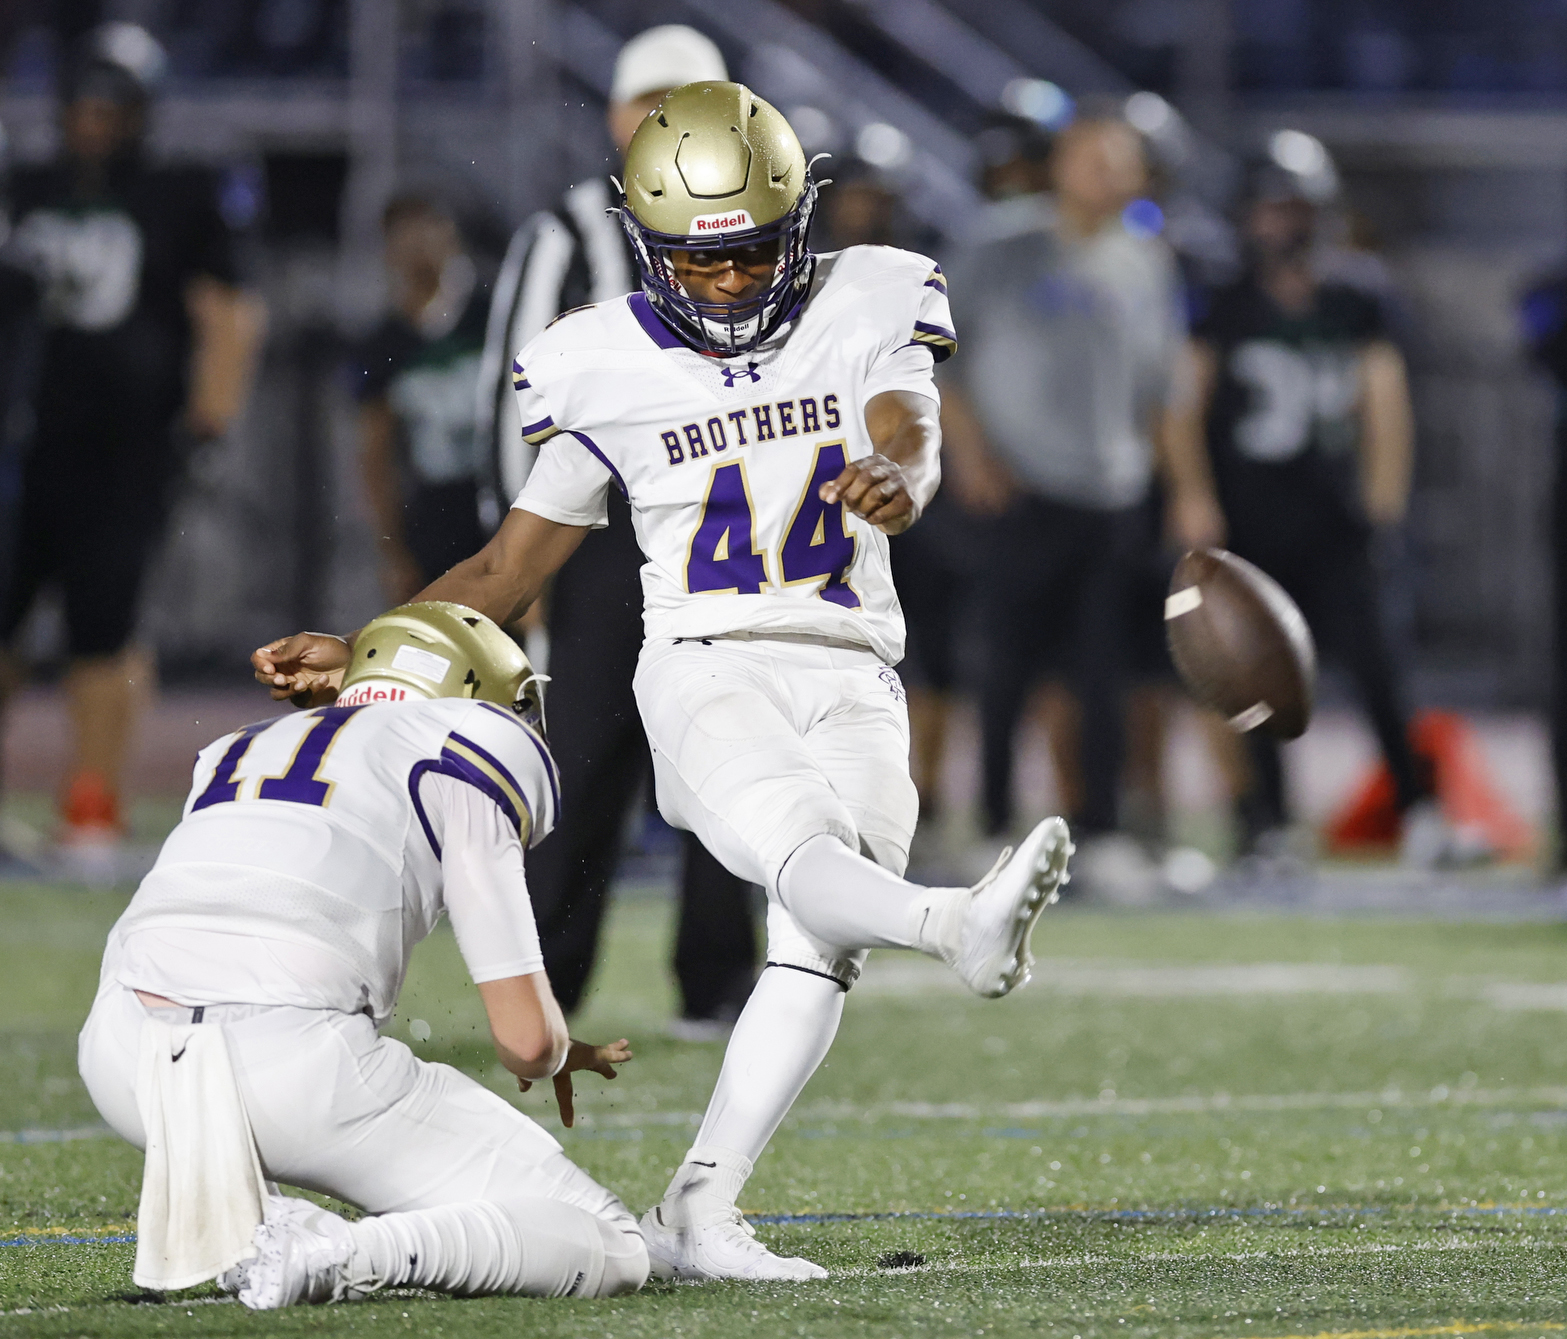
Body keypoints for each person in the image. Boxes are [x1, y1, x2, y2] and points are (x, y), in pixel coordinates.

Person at [253, 82, 1074, 1282]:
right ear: (645, 243)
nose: (730, 284)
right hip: (704, 663)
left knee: (813, 945)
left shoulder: (874, 294)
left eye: (748, 254)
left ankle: (702, 1206)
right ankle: (957, 923)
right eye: (701, 263)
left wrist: (901, 474)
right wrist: (374, 642)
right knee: (798, 853)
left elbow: (907, 418)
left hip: (854, 666)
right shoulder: (601, 361)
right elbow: (508, 566)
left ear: (795, 224)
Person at [78, 602, 647, 1309]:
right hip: (287, 1067)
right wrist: (555, 1048)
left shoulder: (239, 746)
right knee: (613, 1243)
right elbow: (526, 1040)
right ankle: (338, 1253)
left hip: (120, 1056)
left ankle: (266, 1230)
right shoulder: (468, 740)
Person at [479, 25, 759, 1038]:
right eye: (654, 100)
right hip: (597, 539)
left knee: (728, 753)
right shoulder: (566, 234)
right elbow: (515, 391)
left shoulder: (765, 224)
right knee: (583, 757)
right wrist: (524, 556)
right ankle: (548, 978)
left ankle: (721, 977)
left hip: (723, 533)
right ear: (616, 114)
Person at [0, 23, 262, 863]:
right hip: (26, 442)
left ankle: (91, 808)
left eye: (112, 102)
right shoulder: (28, 186)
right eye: (84, 100)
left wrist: (209, 421)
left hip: (123, 451)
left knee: (101, 634)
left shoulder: (177, 192)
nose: (94, 117)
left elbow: (230, 311)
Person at [939, 115, 1223, 882]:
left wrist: (1190, 489)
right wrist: (969, 454)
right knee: (1004, 667)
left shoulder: (1144, 261)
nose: (1109, 175)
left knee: (1102, 672)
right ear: (1061, 162)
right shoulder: (999, 244)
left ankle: (1100, 832)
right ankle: (991, 822)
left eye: (1120, 163)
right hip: (1019, 489)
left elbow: (1166, 391)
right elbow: (936, 355)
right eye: (1095, 159)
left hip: (1110, 490)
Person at [1191, 169, 1455, 864]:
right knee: (1256, 677)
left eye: (1293, 209)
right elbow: (1187, 400)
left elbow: (1382, 396)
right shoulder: (1223, 300)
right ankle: (1269, 820)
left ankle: (1419, 812)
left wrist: (1383, 500)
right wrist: (1196, 497)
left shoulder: (1355, 293)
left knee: (1380, 669)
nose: (1280, 225)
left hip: (1337, 517)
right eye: (1269, 209)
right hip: (1252, 517)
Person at [355, 193, 490, 603]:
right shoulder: (384, 344)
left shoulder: (490, 317)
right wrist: (392, 551)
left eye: (426, 229)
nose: (416, 246)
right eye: (403, 235)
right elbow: (374, 456)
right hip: (431, 519)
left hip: (497, 508)